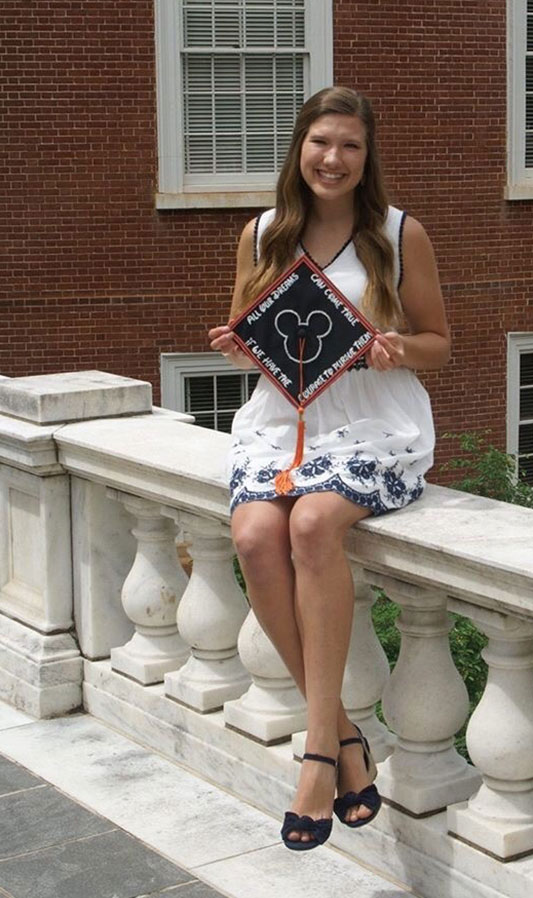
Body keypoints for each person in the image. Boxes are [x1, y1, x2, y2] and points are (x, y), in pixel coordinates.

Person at [207, 85, 451, 850]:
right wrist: (238, 345)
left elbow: (440, 341)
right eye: (321, 143)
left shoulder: (400, 234)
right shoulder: (261, 235)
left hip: (373, 420)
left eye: (349, 145)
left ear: (367, 155)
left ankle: (317, 755)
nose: (334, 159)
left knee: (313, 523)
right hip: (283, 422)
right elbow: (253, 330)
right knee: (253, 537)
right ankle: (344, 734)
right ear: (299, 149)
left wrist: (394, 344)